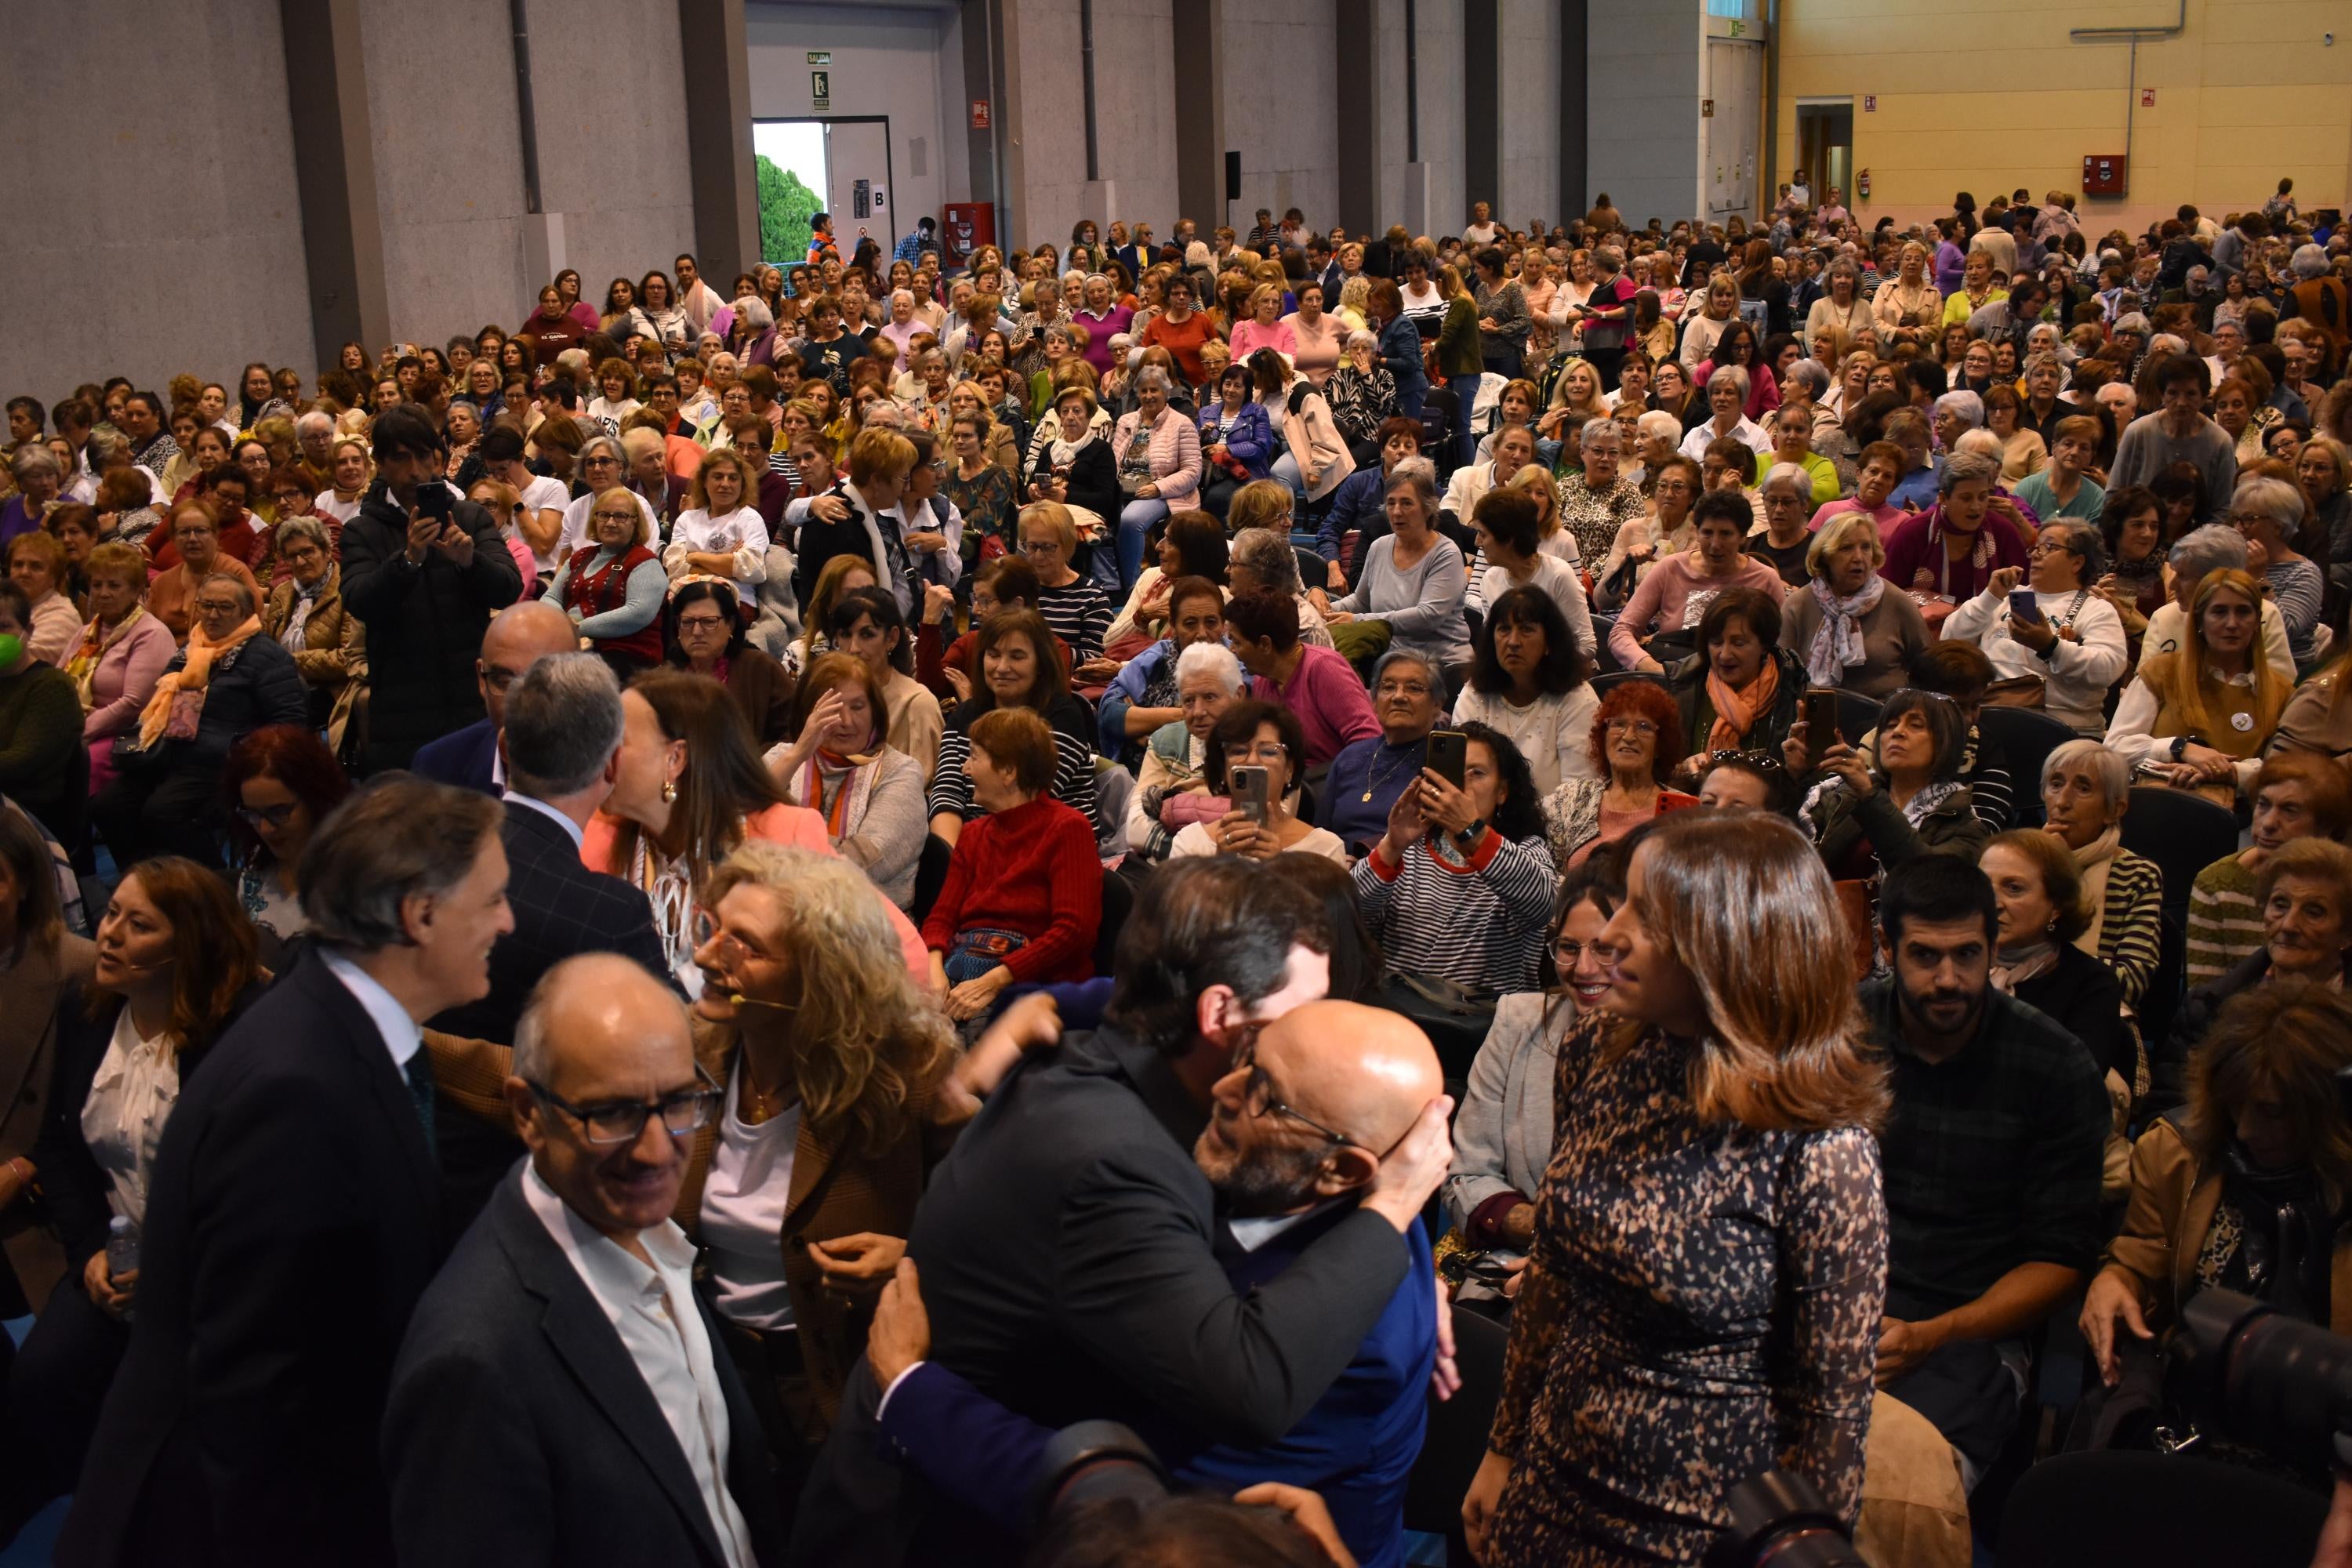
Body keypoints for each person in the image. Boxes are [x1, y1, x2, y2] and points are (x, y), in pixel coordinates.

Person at [791, 859, 1454, 1566]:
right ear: (1219, 1014)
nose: (1242, 1080)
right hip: (914, 1523)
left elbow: (1133, 1507)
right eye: (1290, 1022)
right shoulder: (1142, 1146)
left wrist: (914, 1392)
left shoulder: (1332, 1255)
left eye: (1266, 1083)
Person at [61, 779, 510, 1566]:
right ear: (420, 915)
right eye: (494, 898)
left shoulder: (337, 1031)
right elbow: (255, 1398)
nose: (508, 920)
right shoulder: (297, 1092)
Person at [1461, 811, 1889, 1564]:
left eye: (1646, 915)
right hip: (1554, 1480)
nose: (1610, 934)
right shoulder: (1598, 1051)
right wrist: (1503, 1449)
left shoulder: (1821, 1146)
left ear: (1728, 945)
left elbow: (1832, 1407)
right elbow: (1556, 1275)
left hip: (1706, 1530)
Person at [382, 955, 782, 1568]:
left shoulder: (653, 1237)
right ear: (527, 1114)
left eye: (678, 1103)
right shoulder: (471, 1361)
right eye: (612, 1115)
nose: (656, 1151)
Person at [0, 861, 260, 1542]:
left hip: (213, 1279)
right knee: (37, 1381)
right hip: (110, 1260)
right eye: (111, 913)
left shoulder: (239, 1037)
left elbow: (258, 1195)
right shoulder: (87, 1009)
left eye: (138, 924)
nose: (109, 935)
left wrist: (176, 1268)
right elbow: (59, 1148)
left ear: (190, 943)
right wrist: (87, 1251)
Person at [1860, 853, 2108, 1493]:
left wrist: (1933, 1333)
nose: (1950, 979)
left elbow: (2060, 1257)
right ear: (1887, 948)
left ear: (1993, 946)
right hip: (1839, 1306)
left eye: (1968, 955)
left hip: (1970, 1336)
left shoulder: (2053, 1065)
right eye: (1925, 957)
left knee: (1893, 1499)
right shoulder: (1841, 1033)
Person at [2081, 980, 2352, 1444]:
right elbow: (2144, 1256)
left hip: (2328, 1436)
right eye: (2235, 1105)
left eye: (2272, 1112)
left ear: (2328, 1113)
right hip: (2195, 1414)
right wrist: (2114, 1281)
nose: (2245, 1130)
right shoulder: (2178, 1154)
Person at [582, 668, 922, 995]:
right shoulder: (599, 835)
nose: (602, 754)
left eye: (619, 740)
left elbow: (906, 961)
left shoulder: (782, 838)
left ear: (675, 759)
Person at [1440, 864, 1621, 1309]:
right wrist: (1544, 1231)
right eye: (1569, 948)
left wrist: (1563, 1258)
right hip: (1498, 1275)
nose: (1583, 969)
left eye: (1605, 949)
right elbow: (1465, 1175)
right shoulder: (1519, 1022)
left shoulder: (1673, 1054)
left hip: (1609, 1296)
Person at [339, 406, 525, 772]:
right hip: (402, 707)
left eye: (423, 456)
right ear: (380, 462)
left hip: (472, 702)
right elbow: (359, 600)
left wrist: (470, 561)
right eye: (400, 458)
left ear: (438, 459)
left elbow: (508, 588)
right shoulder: (362, 530)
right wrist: (408, 559)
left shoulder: (469, 516)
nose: (414, 470)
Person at [90, 573, 306, 869]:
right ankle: (147, 877)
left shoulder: (268, 657)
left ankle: (214, 885)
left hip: (220, 762)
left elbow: (290, 721)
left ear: (246, 614)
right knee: (107, 806)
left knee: (162, 812)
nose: (213, 615)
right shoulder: (189, 649)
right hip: (167, 751)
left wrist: (247, 753)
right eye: (207, 606)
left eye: (225, 607)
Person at [922, 706, 1102, 1024]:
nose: (964, 769)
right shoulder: (973, 833)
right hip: (965, 974)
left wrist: (996, 980)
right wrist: (934, 970)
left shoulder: (1068, 828)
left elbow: (1073, 932)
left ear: (1008, 771)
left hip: (1035, 987)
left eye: (974, 757)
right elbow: (940, 919)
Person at [1355, 722, 1555, 996]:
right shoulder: (1409, 849)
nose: (1460, 783)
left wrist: (1470, 831)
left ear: (1502, 792)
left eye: (1477, 773)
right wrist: (1392, 845)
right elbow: (1350, 917)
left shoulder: (1527, 849)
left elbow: (1542, 905)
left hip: (1483, 1026)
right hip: (1400, 1018)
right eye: (1452, 771)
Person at [2163, 841, 2352, 1109]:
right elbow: (2165, 1111)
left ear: (2347, 934)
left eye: (2314, 912)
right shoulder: (2207, 1008)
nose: (2288, 925)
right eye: (2280, 904)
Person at [2107, 567, 2288, 802]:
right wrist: (2180, 749)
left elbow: (2283, 771)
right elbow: (2115, 747)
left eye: (2243, 612)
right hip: (2157, 806)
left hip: (2238, 820)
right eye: (2219, 612)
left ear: (2257, 622)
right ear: (2199, 620)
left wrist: (2228, 773)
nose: (2232, 623)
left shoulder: (2281, 691)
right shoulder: (2162, 672)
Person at [764, 652, 928, 908]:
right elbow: (735, 826)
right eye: (833, 708)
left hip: (870, 926)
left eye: (858, 707)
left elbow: (865, 864)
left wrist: (772, 847)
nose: (846, 721)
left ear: (875, 711)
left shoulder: (900, 772)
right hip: (779, 912)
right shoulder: (783, 758)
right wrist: (799, 753)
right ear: (809, 713)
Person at [927, 608, 1098, 846]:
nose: (1002, 667)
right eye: (993, 654)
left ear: (1040, 663)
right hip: (971, 847)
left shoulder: (1062, 716)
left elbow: (1028, 801)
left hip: (1050, 848)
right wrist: (952, 858)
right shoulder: (965, 715)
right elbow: (947, 794)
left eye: (1017, 657)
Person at [1943, 518, 2129, 735]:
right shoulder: (2003, 597)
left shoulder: (2096, 609)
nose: (2037, 554)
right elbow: (1949, 644)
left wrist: (2050, 647)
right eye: (2036, 547)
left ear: (2077, 563)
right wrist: (1988, 597)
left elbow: (2108, 668)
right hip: (1987, 721)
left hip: (2064, 731)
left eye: (2049, 547)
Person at [1978, 829, 2132, 1087]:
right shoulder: (1952, 967)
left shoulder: (2092, 983)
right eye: (1981, 885)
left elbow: (2078, 1087)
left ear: (2056, 906)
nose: (1992, 902)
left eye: (2013, 888)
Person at [1788, 686, 1989, 881]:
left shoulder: (1965, 826)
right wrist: (1795, 778)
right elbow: (1785, 849)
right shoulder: (1844, 796)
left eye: (1916, 725)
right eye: (1891, 725)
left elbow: (1923, 878)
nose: (1898, 732)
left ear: (1946, 742)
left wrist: (1870, 796)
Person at [2186, 752, 2352, 985]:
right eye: (2263, 805)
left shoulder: (2346, 884)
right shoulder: (2216, 883)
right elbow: (2203, 1003)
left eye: (2290, 810)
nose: (2268, 823)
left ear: (2326, 826)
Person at [409, 599, 579, 796]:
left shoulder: (613, 774)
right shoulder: (437, 767)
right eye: (505, 681)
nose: (523, 700)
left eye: (544, 682)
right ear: (482, 680)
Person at [1609, 491, 1787, 673]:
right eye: (1707, 533)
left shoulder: (1765, 579)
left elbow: (1785, 646)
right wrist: (1652, 668)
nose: (1715, 544)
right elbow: (1621, 631)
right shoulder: (1671, 568)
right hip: (1669, 678)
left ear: (1742, 537)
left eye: (1725, 534)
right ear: (1697, 531)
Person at [1325, 459, 1472, 671]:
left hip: (1443, 666)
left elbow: (1426, 617)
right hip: (1393, 662)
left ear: (1428, 508)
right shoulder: (1379, 546)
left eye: (1406, 503)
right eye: (1391, 503)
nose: (1396, 512)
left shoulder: (1446, 554)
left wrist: (1357, 621)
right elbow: (1361, 600)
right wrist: (1326, 611)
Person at [1451, 586, 1599, 797]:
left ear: (1549, 643)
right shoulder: (1474, 694)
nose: (1513, 642)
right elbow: (1459, 780)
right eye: (1504, 629)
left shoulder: (1578, 700)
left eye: (1526, 630)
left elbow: (1577, 797)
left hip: (1554, 826)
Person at [1541, 677, 1700, 870]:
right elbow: (1547, 876)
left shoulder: (1681, 812)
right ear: (1604, 735)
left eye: (1644, 727)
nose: (1629, 736)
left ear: (1660, 745)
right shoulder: (1569, 799)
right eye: (1619, 724)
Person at [220, 724, 349, 960]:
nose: (265, 829)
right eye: (253, 814)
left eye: (279, 812)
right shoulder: (255, 873)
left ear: (316, 800)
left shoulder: (359, 876)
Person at [1170, 700, 1348, 865]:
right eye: (1238, 751)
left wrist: (1281, 870)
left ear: (1289, 769)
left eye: (1269, 752)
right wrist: (1221, 866)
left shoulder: (1325, 849)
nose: (1252, 761)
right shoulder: (1190, 843)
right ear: (1223, 768)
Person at [67, 543, 176, 801]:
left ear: (137, 590)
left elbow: (133, 704)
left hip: (125, 735)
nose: (103, 593)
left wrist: (76, 732)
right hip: (75, 727)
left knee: (74, 762)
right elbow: (59, 682)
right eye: (97, 585)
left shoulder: (151, 633)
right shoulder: (87, 632)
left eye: (114, 586)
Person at [1783, 509, 1931, 697]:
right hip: (1813, 715)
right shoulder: (1798, 605)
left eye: (1866, 547)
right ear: (1825, 555)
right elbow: (1783, 675)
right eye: (1846, 548)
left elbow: (1927, 670)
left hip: (1884, 717)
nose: (1859, 557)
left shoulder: (1898, 602)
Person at [1127, 639, 1250, 862]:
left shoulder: (1263, 744)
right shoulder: (1167, 740)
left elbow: (1271, 823)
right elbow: (1135, 828)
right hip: (1174, 872)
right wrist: (1190, 851)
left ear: (1238, 696)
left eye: (1210, 697)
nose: (1198, 712)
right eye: (1189, 701)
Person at [1227, 590, 1380, 768]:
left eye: (1237, 642)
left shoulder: (1324, 669)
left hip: (1332, 785)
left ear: (1265, 645)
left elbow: (1368, 742)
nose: (1232, 650)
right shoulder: (1265, 679)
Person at [1664, 585, 1805, 771]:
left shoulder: (1794, 694)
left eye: (1738, 643)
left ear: (1764, 645)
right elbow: (1658, 775)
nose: (1724, 655)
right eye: (1716, 642)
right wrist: (1680, 773)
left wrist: (1796, 773)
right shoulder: (1684, 686)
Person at [1319, 649, 1442, 859]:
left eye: (1414, 688)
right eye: (1388, 687)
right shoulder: (1350, 757)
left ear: (1437, 705)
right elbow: (1321, 832)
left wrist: (1369, 863)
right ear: (1374, 702)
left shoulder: (1443, 761)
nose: (1399, 696)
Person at [1878, 448, 2034, 612]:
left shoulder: (2003, 531)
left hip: (1990, 632)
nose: (1976, 507)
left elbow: (2025, 594)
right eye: (1966, 498)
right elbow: (1888, 593)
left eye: (1982, 497)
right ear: (1943, 498)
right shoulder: (1914, 533)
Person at [258, 515, 365, 747]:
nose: (300, 561)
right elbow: (267, 650)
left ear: (327, 552)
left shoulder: (347, 589)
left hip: (331, 693)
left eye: (308, 552)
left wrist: (289, 663)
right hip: (284, 688)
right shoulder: (282, 594)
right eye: (291, 556)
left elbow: (349, 658)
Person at [0, 581, 85, 850]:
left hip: (26, 818)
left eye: (3, 627)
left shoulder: (51, 686)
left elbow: (20, 763)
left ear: (29, 631)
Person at [666, 577, 795, 747]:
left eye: (709, 622)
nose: (696, 631)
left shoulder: (760, 668)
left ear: (731, 625)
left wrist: (753, 766)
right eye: (687, 622)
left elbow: (794, 731)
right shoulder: (667, 678)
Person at [2109, 354, 2237, 514]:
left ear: (2204, 397)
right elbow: (2115, 494)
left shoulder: (2220, 441)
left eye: (2190, 394)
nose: (2181, 402)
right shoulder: (2138, 432)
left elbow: (2223, 508)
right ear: (2162, 395)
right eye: (2173, 393)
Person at [2230, 474, 2327, 670]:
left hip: (2286, 671)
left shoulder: (2305, 573)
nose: (2239, 528)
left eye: (2248, 519)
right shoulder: (2234, 563)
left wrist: (2258, 579)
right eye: (2237, 519)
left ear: (2278, 526)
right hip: (2239, 665)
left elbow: (2285, 630)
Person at [1014, 500, 1116, 662]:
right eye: (1032, 546)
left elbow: (1094, 660)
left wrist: (1030, 651)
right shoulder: (1013, 586)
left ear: (1068, 546)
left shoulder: (1092, 596)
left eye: (1048, 547)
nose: (1039, 556)